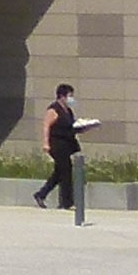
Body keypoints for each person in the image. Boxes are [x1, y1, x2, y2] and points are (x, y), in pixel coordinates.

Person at [37, 84, 85, 213]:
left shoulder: (68, 111)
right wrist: (46, 143)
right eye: (69, 96)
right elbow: (46, 126)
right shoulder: (54, 110)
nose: (71, 99)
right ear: (62, 96)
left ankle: (41, 194)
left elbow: (70, 127)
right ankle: (67, 202)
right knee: (66, 171)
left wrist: (83, 127)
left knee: (59, 172)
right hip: (57, 144)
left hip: (67, 144)